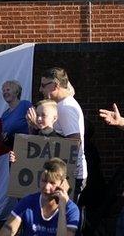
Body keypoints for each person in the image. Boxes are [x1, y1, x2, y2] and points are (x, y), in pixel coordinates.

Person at [28, 68, 87, 201]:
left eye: (43, 85)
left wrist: (39, 127)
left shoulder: (65, 108)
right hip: (63, 173)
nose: (40, 90)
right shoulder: (61, 105)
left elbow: (73, 144)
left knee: (64, 216)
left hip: (71, 175)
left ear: (55, 85)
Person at [0, 158, 80, 236]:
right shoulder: (28, 201)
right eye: (44, 181)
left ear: (62, 184)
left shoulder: (71, 210)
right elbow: (8, 228)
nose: (46, 187)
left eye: (52, 183)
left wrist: (62, 206)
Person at [0, 80, 33, 149]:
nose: (5, 92)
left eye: (8, 90)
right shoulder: (4, 115)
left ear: (16, 92)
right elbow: (5, 135)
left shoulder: (25, 105)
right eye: (3, 91)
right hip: (15, 151)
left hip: (30, 148)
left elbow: (35, 125)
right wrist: (3, 137)